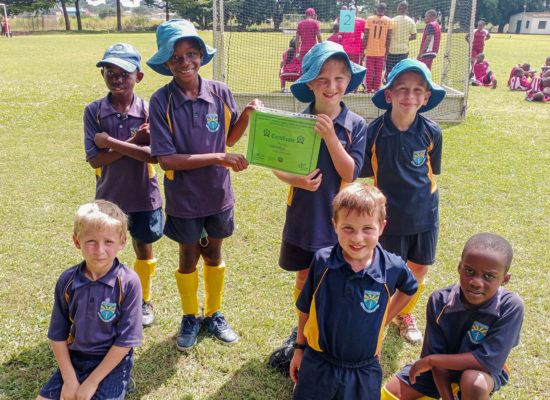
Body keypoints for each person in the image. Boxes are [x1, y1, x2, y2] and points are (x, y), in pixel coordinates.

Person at [147, 19, 258, 351]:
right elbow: (166, 160)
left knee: (214, 254)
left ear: (201, 55)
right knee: (188, 257)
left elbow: (228, 137)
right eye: (176, 57)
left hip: (218, 194)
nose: (185, 62)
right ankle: (190, 315)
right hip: (184, 198)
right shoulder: (160, 100)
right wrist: (218, 158)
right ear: (166, 63)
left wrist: (248, 116)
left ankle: (214, 313)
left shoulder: (220, 92)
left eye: (191, 53)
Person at [268, 41, 368, 374]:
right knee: (305, 275)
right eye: (322, 79)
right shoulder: (298, 122)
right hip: (304, 217)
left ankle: (325, 334)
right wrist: (294, 180)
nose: (331, 86)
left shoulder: (356, 125)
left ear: (349, 82)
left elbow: (350, 173)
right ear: (310, 84)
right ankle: (302, 331)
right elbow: (278, 164)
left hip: (338, 221)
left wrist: (329, 137)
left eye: (340, 78)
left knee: (335, 277)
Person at [289, 182, 419, 399]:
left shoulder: (392, 267)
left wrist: (383, 320)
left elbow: (409, 288)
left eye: (367, 228)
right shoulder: (322, 262)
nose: (357, 238)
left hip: (364, 369)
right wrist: (299, 348)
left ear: (382, 227)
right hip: (318, 363)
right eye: (348, 228)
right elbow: (305, 307)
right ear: (335, 225)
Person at [359, 59, 446, 345]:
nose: (410, 96)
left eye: (418, 90)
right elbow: (363, 171)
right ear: (389, 94)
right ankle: (377, 317)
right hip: (389, 217)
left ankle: (404, 314)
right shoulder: (374, 132)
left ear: (426, 97)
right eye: (403, 89)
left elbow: (431, 172)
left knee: (419, 269)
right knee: (387, 270)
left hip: (425, 214)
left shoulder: (432, 132)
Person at [382, 233, 524, 400]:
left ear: (505, 279)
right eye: (469, 271)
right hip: (439, 367)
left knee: (473, 383)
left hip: (481, 371)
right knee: (389, 396)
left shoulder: (510, 306)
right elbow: (434, 357)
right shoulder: (439, 300)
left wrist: (433, 360)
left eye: (489, 276)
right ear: (459, 267)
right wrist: (447, 395)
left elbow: (487, 361)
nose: (476, 282)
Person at [84, 42, 164, 328]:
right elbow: (95, 160)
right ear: (103, 75)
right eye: (110, 72)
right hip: (109, 198)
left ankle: (143, 300)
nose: (117, 78)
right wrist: (133, 142)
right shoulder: (94, 111)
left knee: (144, 249)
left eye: (124, 73)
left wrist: (110, 143)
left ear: (138, 76)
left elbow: (154, 155)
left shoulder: (149, 109)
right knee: (104, 250)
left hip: (144, 195)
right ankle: (107, 298)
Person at [36, 200, 142, 400]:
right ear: (77, 242)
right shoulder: (67, 281)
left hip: (112, 363)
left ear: (122, 243)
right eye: (91, 241)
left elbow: (127, 340)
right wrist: (69, 380)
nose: (100, 250)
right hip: (75, 359)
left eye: (108, 242)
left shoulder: (129, 282)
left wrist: (92, 382)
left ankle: (123, 382)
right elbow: (57, 334)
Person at [362, 2, 392, 93]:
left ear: (377, 9)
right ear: (385, 10)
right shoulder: (388, 20)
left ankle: (368, 90)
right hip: (381, 52)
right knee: (379, 72)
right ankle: (376, 90)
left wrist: (363, 48)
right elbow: (389, 37)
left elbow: (366, 35)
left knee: (369, 72)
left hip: (370, 51)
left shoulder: (370, 19)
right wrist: (387, 51)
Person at [386, 1, 417, 79]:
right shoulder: (410, 21)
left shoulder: (392, 20)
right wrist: (406, 38)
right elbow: (414, 36)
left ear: (398, 8)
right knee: (401, 71)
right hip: (404, 50)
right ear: (406, 9)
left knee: (390, 71)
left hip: (392, 50)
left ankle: (389, 87)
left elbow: (387, 35)